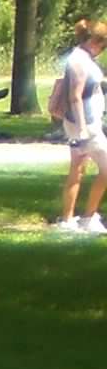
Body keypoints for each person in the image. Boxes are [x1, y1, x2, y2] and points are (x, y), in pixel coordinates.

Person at [49, 20, 107, 233]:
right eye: (103, 45)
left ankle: (68, 219)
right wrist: (82, 128)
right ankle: (88, 217)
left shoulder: (81, 58)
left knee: (78, 169)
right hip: (86, 126)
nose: (103, 50)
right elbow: (75, 96)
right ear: (94, 42)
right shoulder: (79, 61)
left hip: (82, 124)